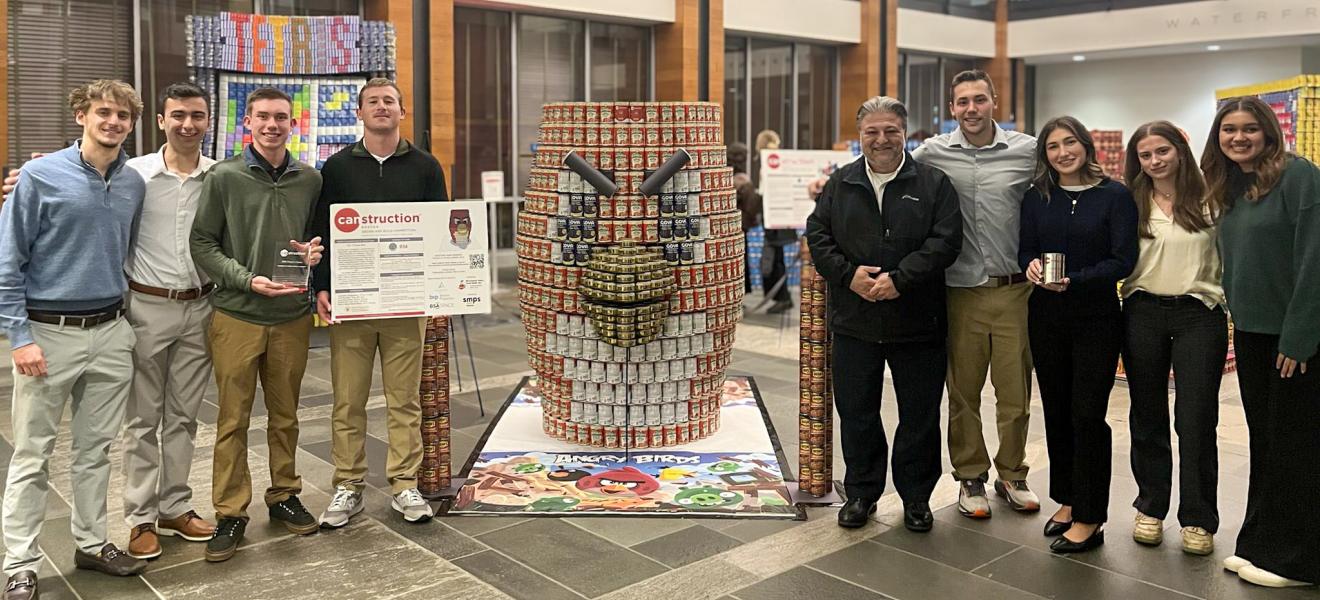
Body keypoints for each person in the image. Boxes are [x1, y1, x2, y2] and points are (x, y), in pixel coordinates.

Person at [0, 80, 149, 598]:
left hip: (110, 333)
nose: (113, 122)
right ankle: (20, 562)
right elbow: (8, 261)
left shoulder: (132, 183)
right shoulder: (39, 175)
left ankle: (91, 543)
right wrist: (19, 337)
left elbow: (123, 252)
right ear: (81, 115)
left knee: (96, 451)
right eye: (103, 112)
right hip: (47, 335)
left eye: (123, 116)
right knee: (32, 454)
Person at [805, 96, 962, 533]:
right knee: (857, 412)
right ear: (860, 136)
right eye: (871, 132)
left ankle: (916, 497)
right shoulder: (841, 183)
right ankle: (861, 492)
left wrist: (901, 279)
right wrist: (847, 276)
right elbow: (818, 234)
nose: (881, 140)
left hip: (918, 321)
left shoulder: (933, 183)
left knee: (919, 415)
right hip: (855, 321)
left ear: (905, 133)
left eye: (891, 130)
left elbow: (946, 241)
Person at [190, 86, 324, 563]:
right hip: (237, 316)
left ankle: (284, 494)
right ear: (247, 122)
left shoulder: (310, 179)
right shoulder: (224, 176)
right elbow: (202, 243)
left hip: (292, 317)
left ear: (293, 123)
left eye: (281, 117)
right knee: (233, 420)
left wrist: (313, 253)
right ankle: (230, 512)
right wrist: (246, 279)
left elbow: (315, 239)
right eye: (263, 116)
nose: (272, 125)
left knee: (286, 416)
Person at [309, 78, 448, 528]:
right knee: (347, 400)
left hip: (406, 304)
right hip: (353, 303)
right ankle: (348, 484)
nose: (381, 107)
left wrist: (444, 288)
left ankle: (404, 483)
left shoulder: (426, 166)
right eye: (373, 101)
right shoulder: (336, 167)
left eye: (389, 101)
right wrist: (322, 287)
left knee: (404, 400)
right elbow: (322, 232)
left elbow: (442, 231)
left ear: (402, 112)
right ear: (360, 112)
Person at [912, 69, 1039, 519]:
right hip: (960, 291)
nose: (972, 109)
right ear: (952, 108)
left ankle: (1013, 473)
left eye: (979, 100)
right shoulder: (932, 153)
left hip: (1014, 291)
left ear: (994, 102)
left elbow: (1067, 183)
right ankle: (970, 475)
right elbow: (892, 175)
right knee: (963, 392)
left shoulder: (1027, 151)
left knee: (1015, 393)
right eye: (963, 101)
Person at [1204, 96, 1320, 588]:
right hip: (1252, 334)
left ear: (1269, 130)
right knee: (1267, 442)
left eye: (1249, 128)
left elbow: (1314, 257)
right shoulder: (1234, 186)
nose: (1239, 137)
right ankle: (1260, 543)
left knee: (1297, 447)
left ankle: (1299, 561)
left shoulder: (1298, 176)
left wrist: (1300, 335)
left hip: (1291, 337)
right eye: (1229, 129)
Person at [1019, 116, 1137, 554]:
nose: (1063, 152)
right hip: (1045, 315)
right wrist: (1031, 266)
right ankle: (1068, 500)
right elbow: (1025, 247)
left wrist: (1078, 280)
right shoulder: (1037, 196)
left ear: (1086, 146)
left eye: (1070, 143)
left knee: (1087, 415)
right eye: (1053, 146)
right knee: (1056, 410)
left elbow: (1123, 260)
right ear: (1044, 154)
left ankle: (1090, 516)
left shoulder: (1114, 196)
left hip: (1096, 318)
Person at [1119, 120, 1226, 556]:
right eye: (1145, 155)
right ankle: (1150, 506)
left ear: (1180, 150)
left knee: (1196, 418)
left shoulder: (1212, 198)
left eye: (1162, 151)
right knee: (1147, 413)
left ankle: (1198, 517)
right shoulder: (1129, 200)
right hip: (1142, 311)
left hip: (1199, 313)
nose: (1154, 161)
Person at [754, 129, 794, 313]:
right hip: (774, 217)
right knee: (775, 258)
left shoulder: (771, 166)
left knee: (774, 259)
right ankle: (781, 297)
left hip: (775, 217)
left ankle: (782, 298)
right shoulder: (769, 165)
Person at [730, 142, 759, 294]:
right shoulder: (741, 178)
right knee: (741, 258)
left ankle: (741, 291)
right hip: (740, 223)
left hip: (738, 223)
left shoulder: (738, 176)